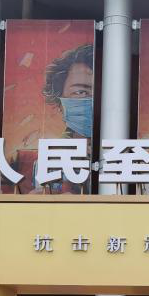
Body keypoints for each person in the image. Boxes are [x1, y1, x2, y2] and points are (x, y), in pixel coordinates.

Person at [11, 43, 94, 194]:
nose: (93, 101)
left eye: (102, 93)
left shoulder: (134, 160)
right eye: (81, 92)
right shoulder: (32, 162)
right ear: (59, 101)